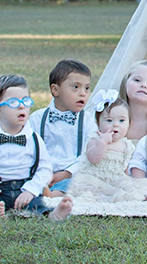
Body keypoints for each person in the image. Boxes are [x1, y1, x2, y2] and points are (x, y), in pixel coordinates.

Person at [0, 74, 72, 220]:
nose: (22, 106)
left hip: (24, 188)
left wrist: (31, 190)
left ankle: (53, 214)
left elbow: (45, 168)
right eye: (13, 102)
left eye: (25, 101)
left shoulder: (34, 139)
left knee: (40, 202)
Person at [68, 89, 147, 201]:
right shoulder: (95, 139)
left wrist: (129, 180)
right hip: (94, 179)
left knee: (128, 185)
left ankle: (139, 195)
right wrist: (103, 142)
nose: (115, 125)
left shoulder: (127, 145)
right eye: (109, 120)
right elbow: (94, 159)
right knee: (92, 193)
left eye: (121, 121)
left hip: (116, 180)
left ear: (129, 124)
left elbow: (125, 169)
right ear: (98, 123)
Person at [29, 59, 97, 196]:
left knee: (79, 184)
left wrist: (66, 173)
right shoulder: (37, 118)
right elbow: (29, 148)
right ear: (55, 90)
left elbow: (87, 155)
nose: (83, 93)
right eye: (76, 87)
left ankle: (51, 195)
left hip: (70, 175)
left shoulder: (88, 122)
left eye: (87, 88)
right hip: (41, 172)